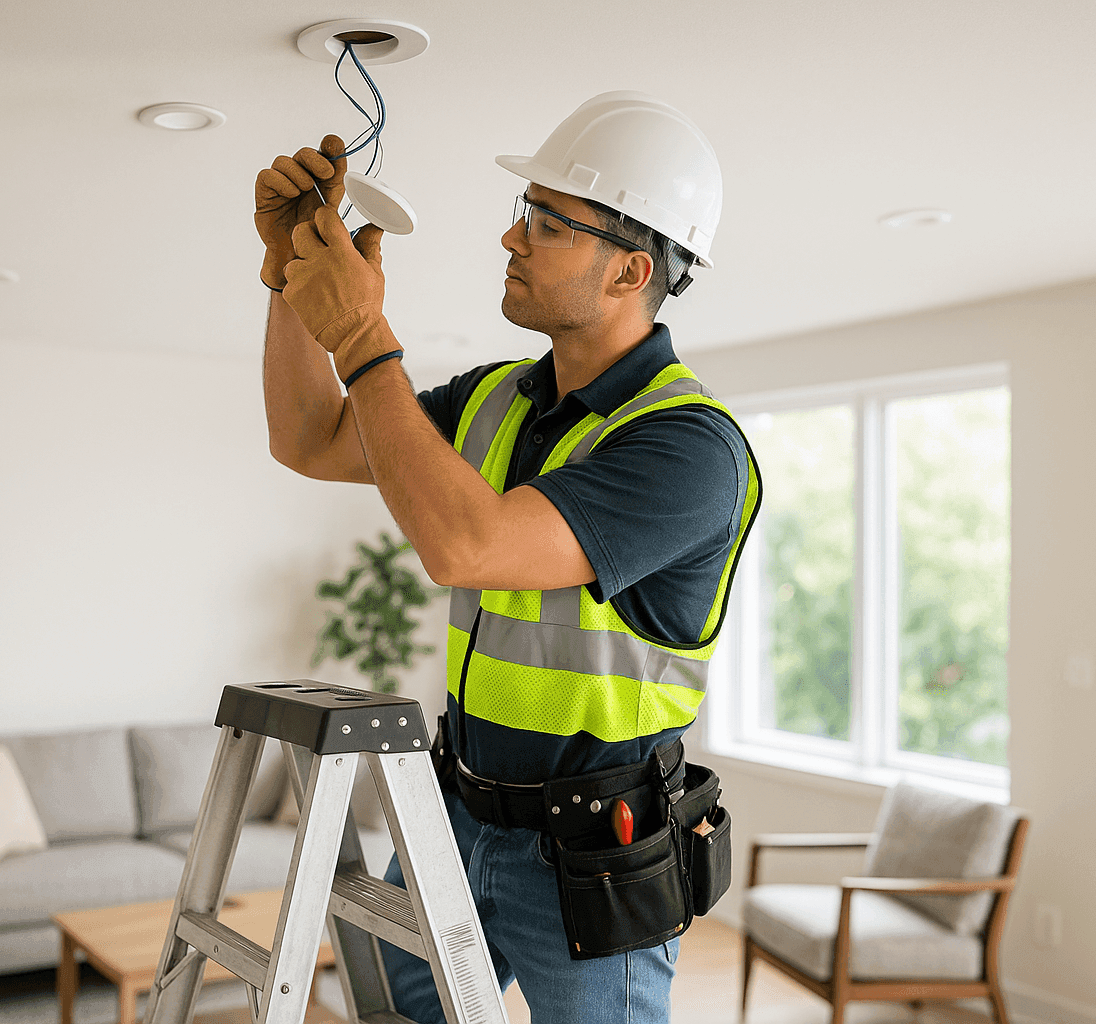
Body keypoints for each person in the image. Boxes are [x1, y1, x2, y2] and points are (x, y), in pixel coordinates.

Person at [257, 91, 760, 1024]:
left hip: (590, 853)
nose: (510, 238)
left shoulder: (690, 450)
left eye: (545, 221)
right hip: (452, 812)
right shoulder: (495, 399)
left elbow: (467, 546)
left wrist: (365, 337)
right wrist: (293, 281)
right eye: (522, 213)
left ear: (630, 270)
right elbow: (306, 436)